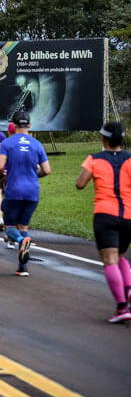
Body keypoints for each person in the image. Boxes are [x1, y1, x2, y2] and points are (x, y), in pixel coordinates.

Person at [75, 121, 131, 323]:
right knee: (121, 255)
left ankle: (122, 306)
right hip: (128, 216)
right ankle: (128, 290)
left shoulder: (94, 159)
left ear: (103, 138)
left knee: (109, 260)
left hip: (105, 215)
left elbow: (80, 184)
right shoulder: (130, 159)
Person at [0, 111, 51, 277]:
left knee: (9, 226)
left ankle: (20, 241)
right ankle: (22, 267)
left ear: (13, 125)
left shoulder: (8, 143)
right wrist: (34, 174)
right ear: (29, 125)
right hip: (32, 191)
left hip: (14, 190)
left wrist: (1, 174)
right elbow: (47, 170)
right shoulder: (37, 144)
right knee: (23, 227)